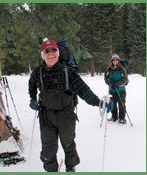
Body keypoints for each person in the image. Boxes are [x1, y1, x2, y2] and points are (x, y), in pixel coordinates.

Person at [28, 39, 113, 172]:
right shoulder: (37, 73)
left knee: (68, 144)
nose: (50, 54)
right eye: (47, 51)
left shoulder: (68, 72)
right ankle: (51, 170)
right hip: (46, 116)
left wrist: (99, 103)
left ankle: (70, 167)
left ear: (58, 52)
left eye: (53, 50)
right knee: (48, 148)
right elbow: (32, 85)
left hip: (65, 114)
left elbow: (83, 90)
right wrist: (32, 99)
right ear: (42, 55)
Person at [104, 54, 129, 124]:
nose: (115, 61)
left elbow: (125, 79)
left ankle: (122, 118)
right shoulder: (109, 69)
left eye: (116, 60)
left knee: (121, 104)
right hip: (112, 90)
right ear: (112, 61)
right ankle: (114, 116)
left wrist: (117, 84)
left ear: (118, 61)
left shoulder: (122, 69)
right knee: (112, 104)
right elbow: (106, 78)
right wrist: (110, 83)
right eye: (114, 60)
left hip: (121, 90)